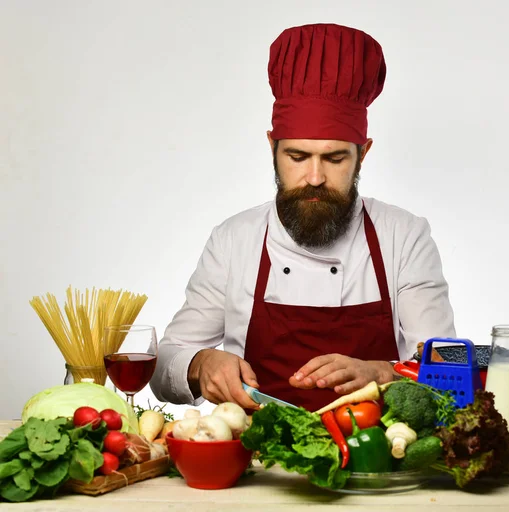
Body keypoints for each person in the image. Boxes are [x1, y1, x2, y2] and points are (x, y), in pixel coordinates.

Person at [150, 23, 455, 412]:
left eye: (334, 158)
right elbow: (164, 365)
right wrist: (201, 363)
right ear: (272, 148)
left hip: (375, 456)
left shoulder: (404, 236)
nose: (314, 178)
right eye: (297, 157)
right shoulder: (235, 239)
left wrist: (384, 373)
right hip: (257, 459)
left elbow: (449, 368)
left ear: (364, 153)